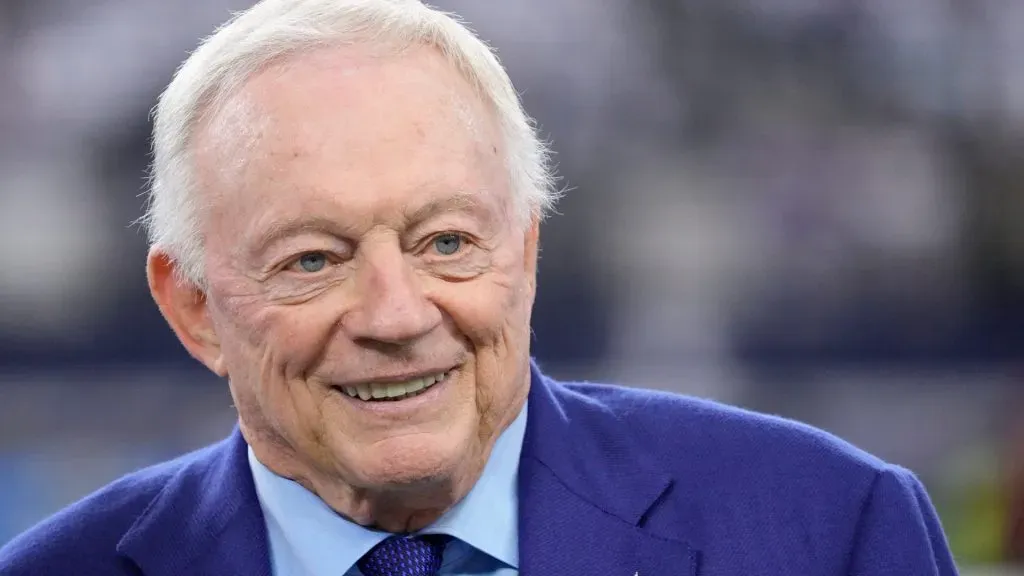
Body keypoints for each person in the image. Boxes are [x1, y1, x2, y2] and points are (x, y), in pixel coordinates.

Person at [0, 0, 959, 574]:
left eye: (447, 241)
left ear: (527, 252)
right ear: (193, 309)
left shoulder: (826, 531)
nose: (397, 315)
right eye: (313, 259)